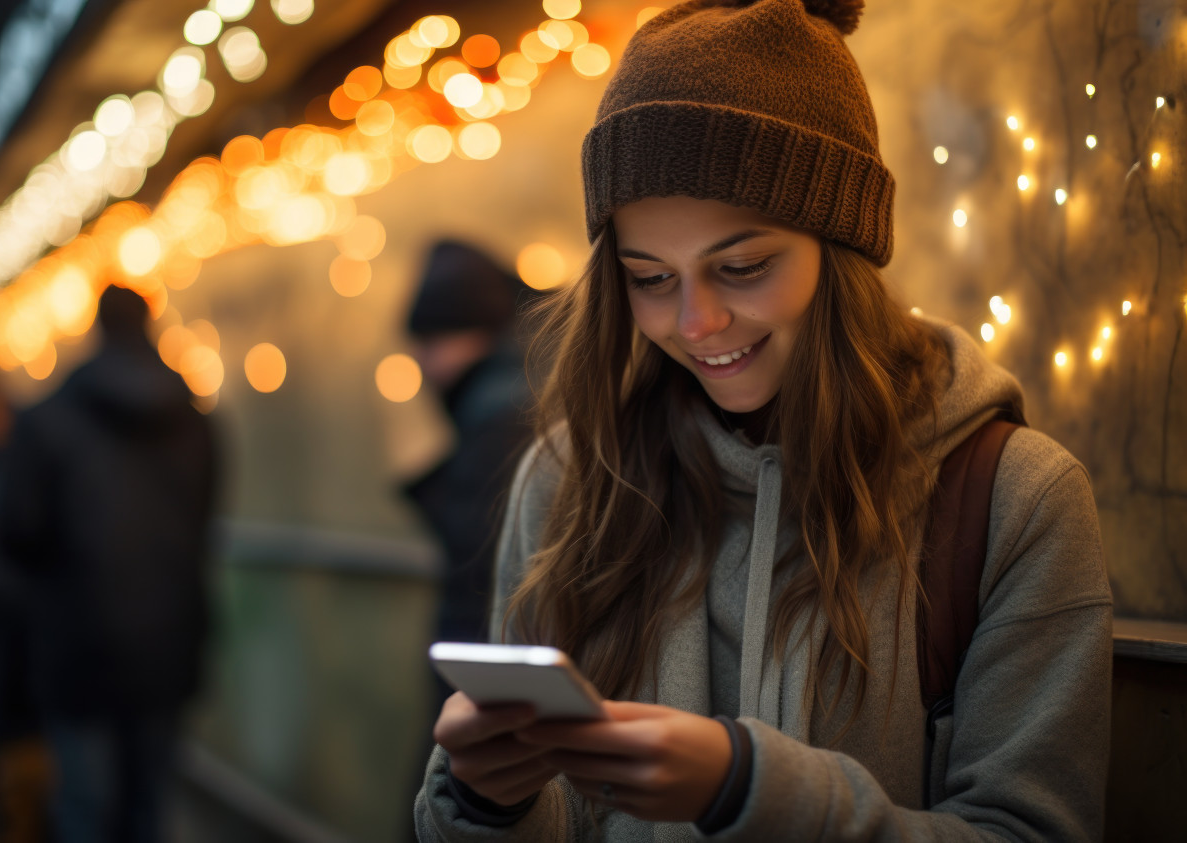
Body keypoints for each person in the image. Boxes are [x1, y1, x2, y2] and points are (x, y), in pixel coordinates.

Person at [415, 1, 1112, 839]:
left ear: (841, 246)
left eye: (741, 265)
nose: (696, 321)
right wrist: (492, 803)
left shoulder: (1014, 498)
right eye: (648, 277)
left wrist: (750, 790)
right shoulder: (571, 478)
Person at [0, 284, 219, 843]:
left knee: (84, 809)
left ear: (96, 328)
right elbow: (207, 521)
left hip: (77, 649)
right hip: (167, 647)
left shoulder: (47, 422)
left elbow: (16, 532)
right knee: (149, 807)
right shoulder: (196, 421)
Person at [403, 240, 541, 652]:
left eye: (431, 342)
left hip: (498, 665)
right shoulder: (526, 389)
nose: (421, 362)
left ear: (473, 335)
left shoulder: (500, 418)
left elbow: (478, 580)